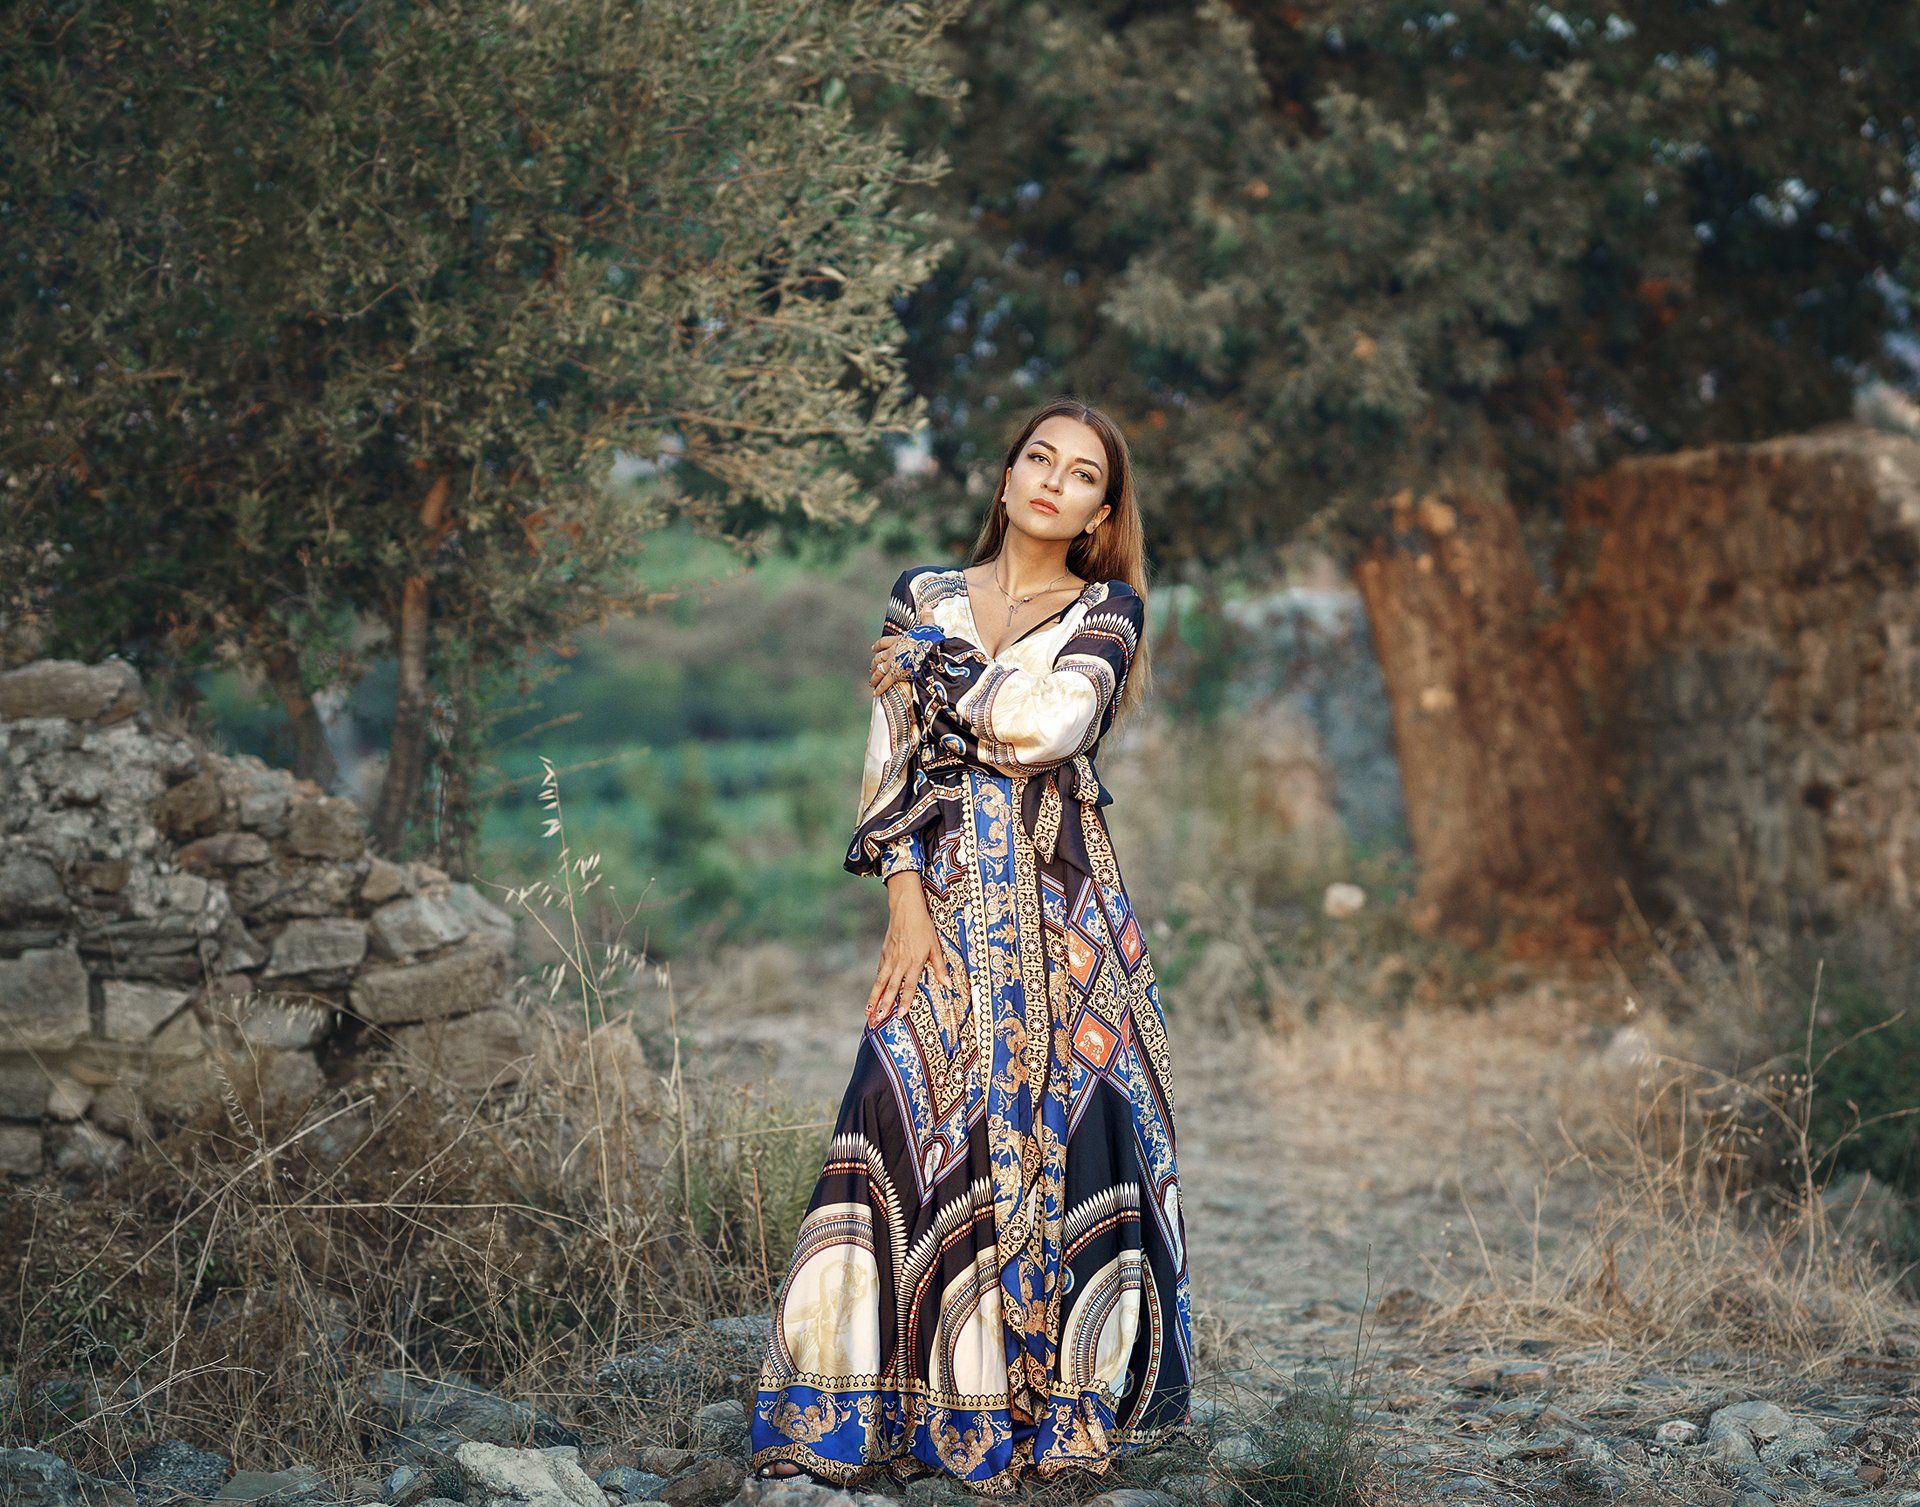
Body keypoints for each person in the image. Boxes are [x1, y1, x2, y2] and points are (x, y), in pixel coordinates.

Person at [747, 397, 1192, 1494]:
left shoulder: (1110, 607)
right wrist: (903, 899)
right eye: (1039, 457)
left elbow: (1049, 728)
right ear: (1005, 476)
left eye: (1082, 474)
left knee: (1066, 1127)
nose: (1053, 480)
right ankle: (872, 1400)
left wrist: (932, 670)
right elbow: (889, 762)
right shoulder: (924, 594)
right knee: (895, 1101)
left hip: (1063, 917)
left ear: (1100, 512)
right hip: (939, 897)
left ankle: (1050, 1401)